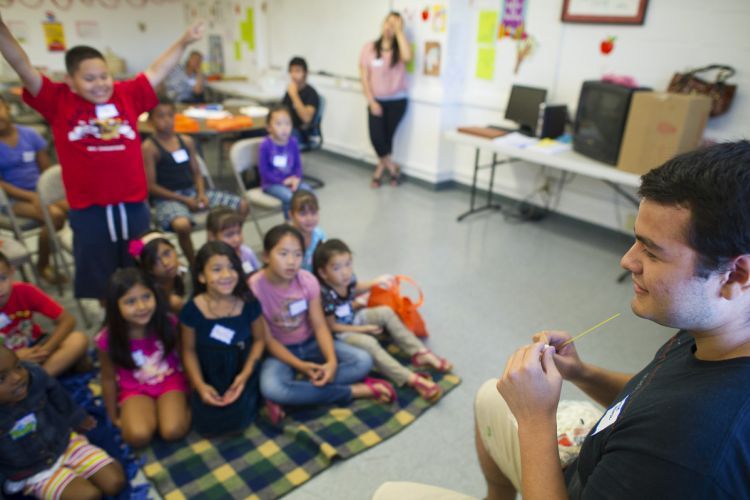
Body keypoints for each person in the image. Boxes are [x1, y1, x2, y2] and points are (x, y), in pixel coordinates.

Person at [469, 141, 750, 499]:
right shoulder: (720, 327)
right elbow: (651, 397)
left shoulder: (683, 453)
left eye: (651, 250)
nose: (628, 261)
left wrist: (535, 419)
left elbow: (665, 422)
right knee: (489, 396)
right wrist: (581, 373)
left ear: (735, 275)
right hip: (599, 459)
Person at [0, 13, 205, 300]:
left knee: (140, 268)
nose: (100, 84)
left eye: (104, 76)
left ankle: (144, 322)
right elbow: (22, 65)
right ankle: (112, 326)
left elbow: (159, 69)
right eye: (89, 78)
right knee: (101, 277)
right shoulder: (59, 101)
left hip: (133, 207)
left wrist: (184, 41)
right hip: (90, 212)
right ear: (70, 81)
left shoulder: (126, 95)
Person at [249, 224, 394, 424]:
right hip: (280, 351)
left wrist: (332, 362)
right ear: (266, 256)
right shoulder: (255, 287)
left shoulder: (308, 281)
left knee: (363, 361)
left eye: (298, 254)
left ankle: (296, 392)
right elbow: (267, 340)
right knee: (271, 387)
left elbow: (319, 326)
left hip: (311, 342)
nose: (291, 262)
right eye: (283, 254)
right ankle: (352, 391)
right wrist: (300, 365)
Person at [314, 239, 451, 401]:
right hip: (342, 333)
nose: (345, 272)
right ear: (323, 273)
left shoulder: (348, 278)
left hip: (354, 317)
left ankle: (419, 352)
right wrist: (364, 329)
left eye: (348, 264)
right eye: (337, 268)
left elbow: (355, 287)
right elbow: (332, 327)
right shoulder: (324, 295)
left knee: (386, 312)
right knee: (369, 343)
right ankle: (411, 379)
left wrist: (375, 282)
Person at [0, 344, 126, 499]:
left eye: (18, 366)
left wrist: (76, 417)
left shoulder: (34, 375)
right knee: (89, 496)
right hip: (33, 471)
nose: (17, 377)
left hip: (64, 442)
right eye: (1, 378)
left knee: (115, 482)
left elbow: (55, 391)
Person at [143, 98, 249, 264]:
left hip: (192, 191)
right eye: (160, 116)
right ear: (150, 121)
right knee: (182, 225)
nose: (166, 120)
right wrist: (184, 200)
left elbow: (197, 173)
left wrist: (200, 193)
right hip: (168, 198)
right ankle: (195, 263)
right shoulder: (150, 148)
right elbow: (151, 186)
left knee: (242, 205)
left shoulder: (186, 141)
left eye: (170, 115)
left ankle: (216, 248)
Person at [96, 268, 190, 448]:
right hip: (134, 388)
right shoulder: (107, 339)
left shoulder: (169, 323)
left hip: (170, 381)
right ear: (115, 306)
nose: (141, 307)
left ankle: (177, 409)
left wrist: (193, 392)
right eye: (130, 301)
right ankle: (153, 413)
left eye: (146, 297)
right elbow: (108, 378)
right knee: (137, 436)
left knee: (172, 430)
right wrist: (113, 415)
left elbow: (186, 357)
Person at [180, 241, 266, 435]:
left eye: (232, 268)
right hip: (209, 373)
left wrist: (244, 376)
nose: (227, 276)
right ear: (201, 276)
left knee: (239, 418)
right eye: (217, 269)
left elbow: (260, 340)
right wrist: (200, 386)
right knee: (207, 421)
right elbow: (188, 350)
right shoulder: (191, 311)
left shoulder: (248, 302)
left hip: (243, 368)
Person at [0, 94, 67, 284]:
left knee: (77, 208)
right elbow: (1, 185)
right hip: (13, 200)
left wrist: (47, 193)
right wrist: (32, 197)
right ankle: (42, 265)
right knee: (54, 216)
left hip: (41, 191)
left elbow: (45, 170)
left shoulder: (30, 135)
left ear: (8, 108)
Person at [0, 251, 88, 377]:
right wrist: (15, 358)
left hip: (36, 348)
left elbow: (68, 320)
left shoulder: (25, 291)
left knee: (78, 340)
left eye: (2, 278)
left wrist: (46, 350)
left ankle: (38, 379)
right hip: (5, 363)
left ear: (12, 272)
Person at [359, 11, 411, 188]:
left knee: (387, 138)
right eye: (388, 22)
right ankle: (393, 168)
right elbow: (364, 77)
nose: (390, 26)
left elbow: (408, 57)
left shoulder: (401, 48)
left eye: (395, 24)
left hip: (397, 102)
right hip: (377, 100)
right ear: (382, 24)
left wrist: (399, 33)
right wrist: (371, 101)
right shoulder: (369, 48)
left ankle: (379, 171)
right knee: (376, 138)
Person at [258, 105, 311, 220]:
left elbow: (298, 165)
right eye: (279, 124)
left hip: (292, 181)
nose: (284, 128)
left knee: (307, 192)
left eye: (287, 124)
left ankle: (304, 220)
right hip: (271, 184)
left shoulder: (293, 142)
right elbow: (264, 171)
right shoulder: (266, 145)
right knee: (289, 197)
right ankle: (291, 224)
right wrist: (282, 181)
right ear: (269, 128)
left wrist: (296, 178)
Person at [131, 231, 187, 315]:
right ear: (147, 268)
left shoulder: (183, 271)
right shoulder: (149, 293)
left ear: (174, 249)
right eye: (155, 260)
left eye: (167, 253)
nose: (165, 262)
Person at [206, 206, 261, 276]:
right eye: (229, 235)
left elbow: (259, 275)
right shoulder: (211, 262)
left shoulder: (247, 252)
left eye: (239, 232)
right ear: (212, 237)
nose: (237, 239)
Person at [281, 56, 320, 148]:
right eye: (291, 71)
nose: (293, 75)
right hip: (286, 127)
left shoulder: (311, 93)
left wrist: (294, 95)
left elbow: (306, 118)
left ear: (305, 73)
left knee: (283, 137)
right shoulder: (290, 90)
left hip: (300, 132)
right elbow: (281, 110)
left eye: (297, 71)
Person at [289, 189, 326, 272]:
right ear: (291, 215)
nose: (309, 219)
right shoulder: (286, 240)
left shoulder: (320, 235)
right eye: (303, 213)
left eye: (314, 213)